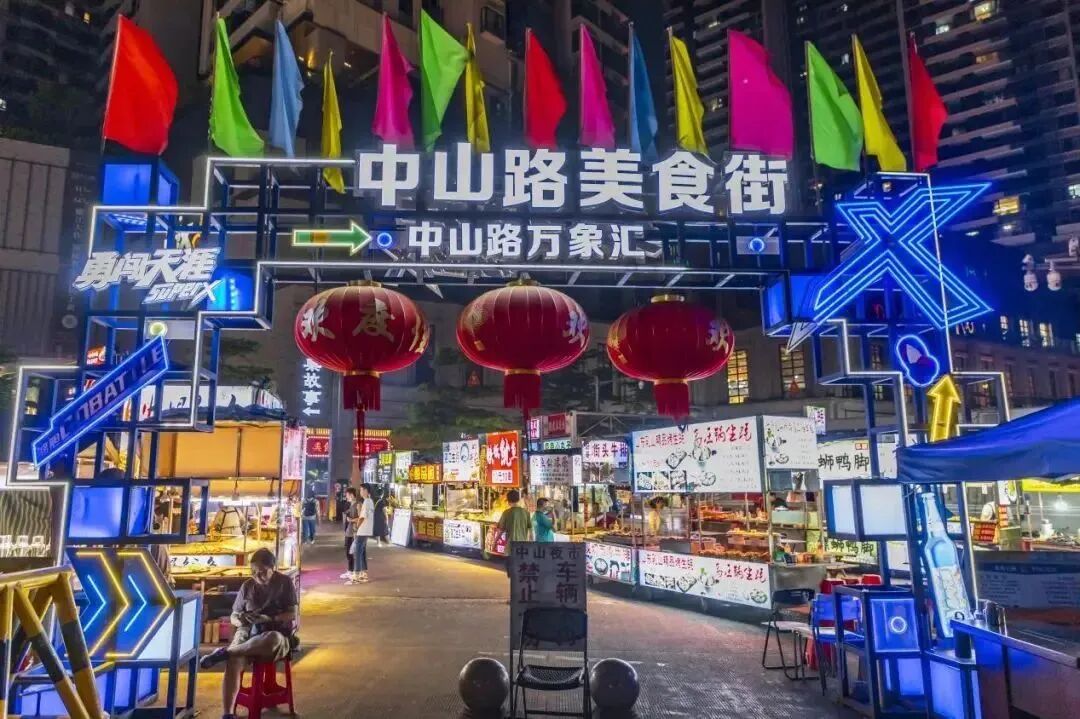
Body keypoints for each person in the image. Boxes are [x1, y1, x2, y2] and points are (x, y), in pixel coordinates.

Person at [200, 548, 297, 719]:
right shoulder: (247, 586)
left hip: (274, 633)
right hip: (247, 633)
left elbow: (292, 614)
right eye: (253, 572)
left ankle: (226, 652)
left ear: (273, 568)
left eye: (262, 572)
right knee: (234, 661)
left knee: (271, 639)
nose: (257, 576)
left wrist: (269, 618)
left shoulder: (284, 582)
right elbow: (234, 616)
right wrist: (241, 620)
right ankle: (228, 713)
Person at [497, 489, 532, 577]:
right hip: (522, 547)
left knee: (512, 573)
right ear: (519, 499)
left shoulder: (506, 513)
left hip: (510, 548)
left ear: (508, 501)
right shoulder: (526, 512)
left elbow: (500, 530)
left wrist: (495, 542)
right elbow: (530, 530)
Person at [349, 485, 375, 584]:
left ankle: (356, 574)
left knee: (358, 552)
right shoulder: (370, 501)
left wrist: (357, 526)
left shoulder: (366, 502)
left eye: (361, 490)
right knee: (362, 551)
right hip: (367, 530)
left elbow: (362, 517)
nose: (360, 492)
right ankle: (364, 573)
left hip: (363, 530)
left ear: (366, 491)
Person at [340, 487, 358, 581]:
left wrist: (351, 520)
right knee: (348, 552)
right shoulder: (350, 504)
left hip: (353, 532)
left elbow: (361, 518)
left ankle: (352, 571)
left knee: (351, 552)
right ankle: (350, 570)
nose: (346, 497)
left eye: (347, 495)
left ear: (351, 495)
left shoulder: (357, 505)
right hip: (349, 530)